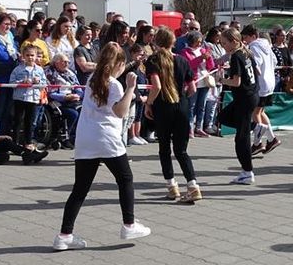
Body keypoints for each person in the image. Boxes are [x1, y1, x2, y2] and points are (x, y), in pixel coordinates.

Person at [53, 42, 151, 250]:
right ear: (119, 64)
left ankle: (64, 235)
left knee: (80, 189)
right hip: (106, 137)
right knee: (125, 179)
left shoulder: (92, 79)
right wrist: (131, 88)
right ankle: (129, 224)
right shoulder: (113, 84)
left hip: (86, 138)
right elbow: (120, 112)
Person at [145, 28, 200, 203]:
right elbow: (192, 88)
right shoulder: (183, 60)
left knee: (164, 149)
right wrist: (182, 97)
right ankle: (193, 186)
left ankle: (172, 186)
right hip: (181, 107)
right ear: (173, 42)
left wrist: (149, 103)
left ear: (156, 41)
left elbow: (157, 86)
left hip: (163, 108)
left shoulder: (154, 60)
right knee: (182, 150)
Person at [217, 28, 259, 185]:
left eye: (225, 43)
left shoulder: (236, 56)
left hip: (245, 98)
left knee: (241, 139)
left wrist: (222, 80)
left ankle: (247, 172)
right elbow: (256, 73)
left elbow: (236, 82)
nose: (223, 46)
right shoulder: (246, 52)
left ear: (234, 42)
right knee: (223, 117)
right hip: (250, 95)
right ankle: (255, 126)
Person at [242, 25, 281, 155]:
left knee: (256, 113)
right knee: (261, 111)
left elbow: (255, 66)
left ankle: (257, 143)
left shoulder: (254, 47)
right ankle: (272, 139)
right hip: (270, 82)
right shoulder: (267, 46)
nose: (245, 40)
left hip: (261, 84)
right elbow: (275, 62)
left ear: (253, 36)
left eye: (246, 37)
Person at [10, 45, 48, 147]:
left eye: (32, 55)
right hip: (20, 98)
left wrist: (38, 81)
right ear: (23, 56)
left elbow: (44, 85)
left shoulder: (40, 70)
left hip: (33, 99)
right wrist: (21, 82)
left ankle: (28, 142)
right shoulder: (17, 69)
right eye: (27, 55)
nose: (30, 57)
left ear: (36, 56)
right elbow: (11, 83)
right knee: (17, 121)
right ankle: (15, 143)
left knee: (30, 122)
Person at [179, 30, 215, 138]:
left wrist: (209, 58)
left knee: (201, 106)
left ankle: (199, 127)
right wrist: (201, 58)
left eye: (201, 41)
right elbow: (189, 65)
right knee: (191, 106)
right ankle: (189, 128)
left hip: (204, 80)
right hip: (193, 82)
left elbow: (211, 66)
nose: (199, 44)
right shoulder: (184, 52)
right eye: (197, 41)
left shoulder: (203, 50)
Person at [46, 54, 83, 149]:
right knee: (73, 114)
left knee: (83, 110)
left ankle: (75, 137)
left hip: (72, 99)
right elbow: (50, 93)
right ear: (56, 62)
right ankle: (66, 138)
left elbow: (78, 87)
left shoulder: (70, 73)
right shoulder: (49, 73)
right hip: (57, 100)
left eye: (68, 62)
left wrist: (77, 95)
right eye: (64, 62)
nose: (67, 64)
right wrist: (65, 97)